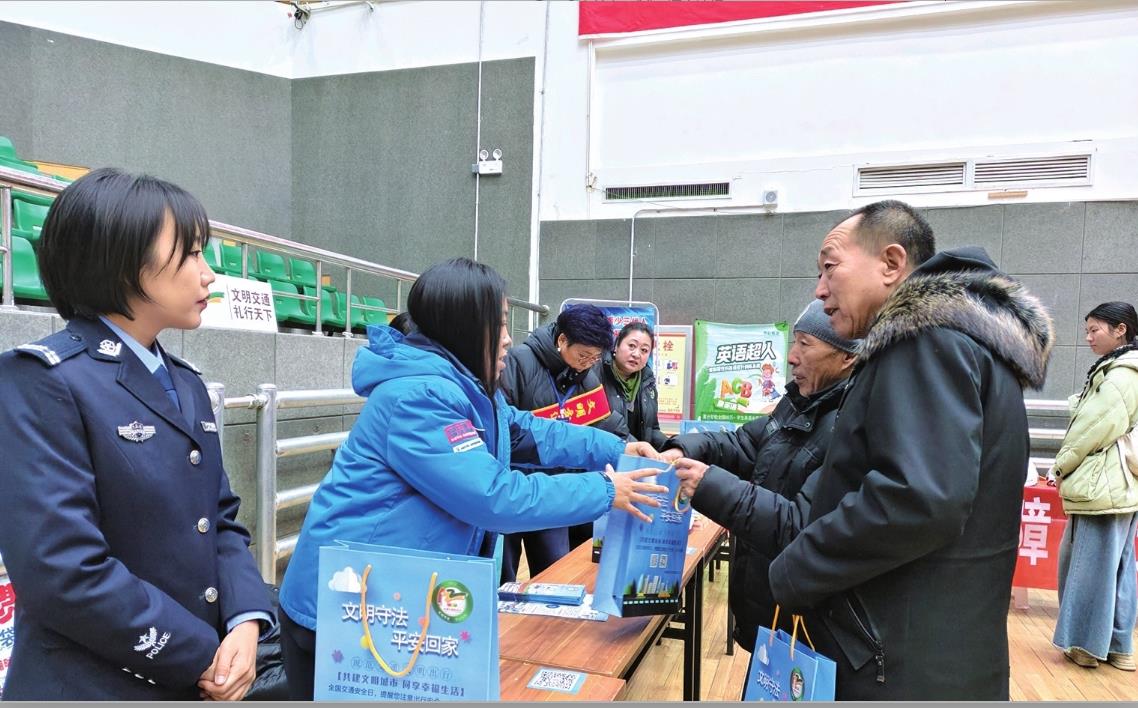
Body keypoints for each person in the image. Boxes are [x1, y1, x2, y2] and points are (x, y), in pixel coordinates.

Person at [674, 200, 1055, 699]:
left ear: (891, 263)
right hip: (935, 651)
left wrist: (795, 566)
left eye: (830, 267)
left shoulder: (921, 340)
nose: (820, 289)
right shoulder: (965, 342)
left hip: (893, 660)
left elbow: (918, 497)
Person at [277, 258, 665, 699]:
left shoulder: (468, 388)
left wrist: (616, 449)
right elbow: (494, 497)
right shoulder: (419, 396)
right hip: (344, 607)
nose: (507, 338)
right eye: (498, 324)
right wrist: (606, 489)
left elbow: (527, 430)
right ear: (462, 326)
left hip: (395, 597)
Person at [0, 168, 273, 700]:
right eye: (190, 254)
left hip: (192, 675)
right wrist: (200, 654)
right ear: (122, 262)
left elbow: (219, 519)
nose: (208, 275)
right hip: (92, 684)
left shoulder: (185, 383)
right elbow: (63, 571)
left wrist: (245, 620)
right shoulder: (43, 380)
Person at [659, 299, 858, 654]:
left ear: (847, 357)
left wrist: (707, 484)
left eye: (805, 344)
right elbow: (744, 444)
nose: (792, 357)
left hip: (811, 628)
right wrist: (683, 449)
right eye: (794, 342)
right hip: (773, 612)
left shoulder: (850, 425)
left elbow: (800, 526)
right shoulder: (798, 403)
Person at [498, 304, 628, 581]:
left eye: (595, 358)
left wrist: (629, 447)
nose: (588, 363)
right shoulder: (518, 362)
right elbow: (506, 427)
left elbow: (604, 423)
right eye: (584, 355)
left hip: (556, 489)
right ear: (562, 340)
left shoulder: (588, 378)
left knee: (555, 573)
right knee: (503, 575)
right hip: (514, 486)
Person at [1051, 302, 1138, 671]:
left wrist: (1060, 467)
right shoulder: (1128, 369)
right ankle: (1119, 646)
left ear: (1120, 330)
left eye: (1095, 330)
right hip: (1124, 485)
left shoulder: (1119, 375)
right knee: (1120, 567)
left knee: (1089, 567)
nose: (1088, 337)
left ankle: (1086, 646)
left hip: (1101, 485)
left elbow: (1089, 429)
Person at [600, 321, 668, 450]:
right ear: (616, 345)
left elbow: (652, 429)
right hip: (607, 453)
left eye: (644, 350)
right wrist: (638, 448)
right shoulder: (597, 374)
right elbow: (604, 423)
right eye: (631, 346)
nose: (636, 354)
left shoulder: (648, 383)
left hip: (637, 457)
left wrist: (672, 447)